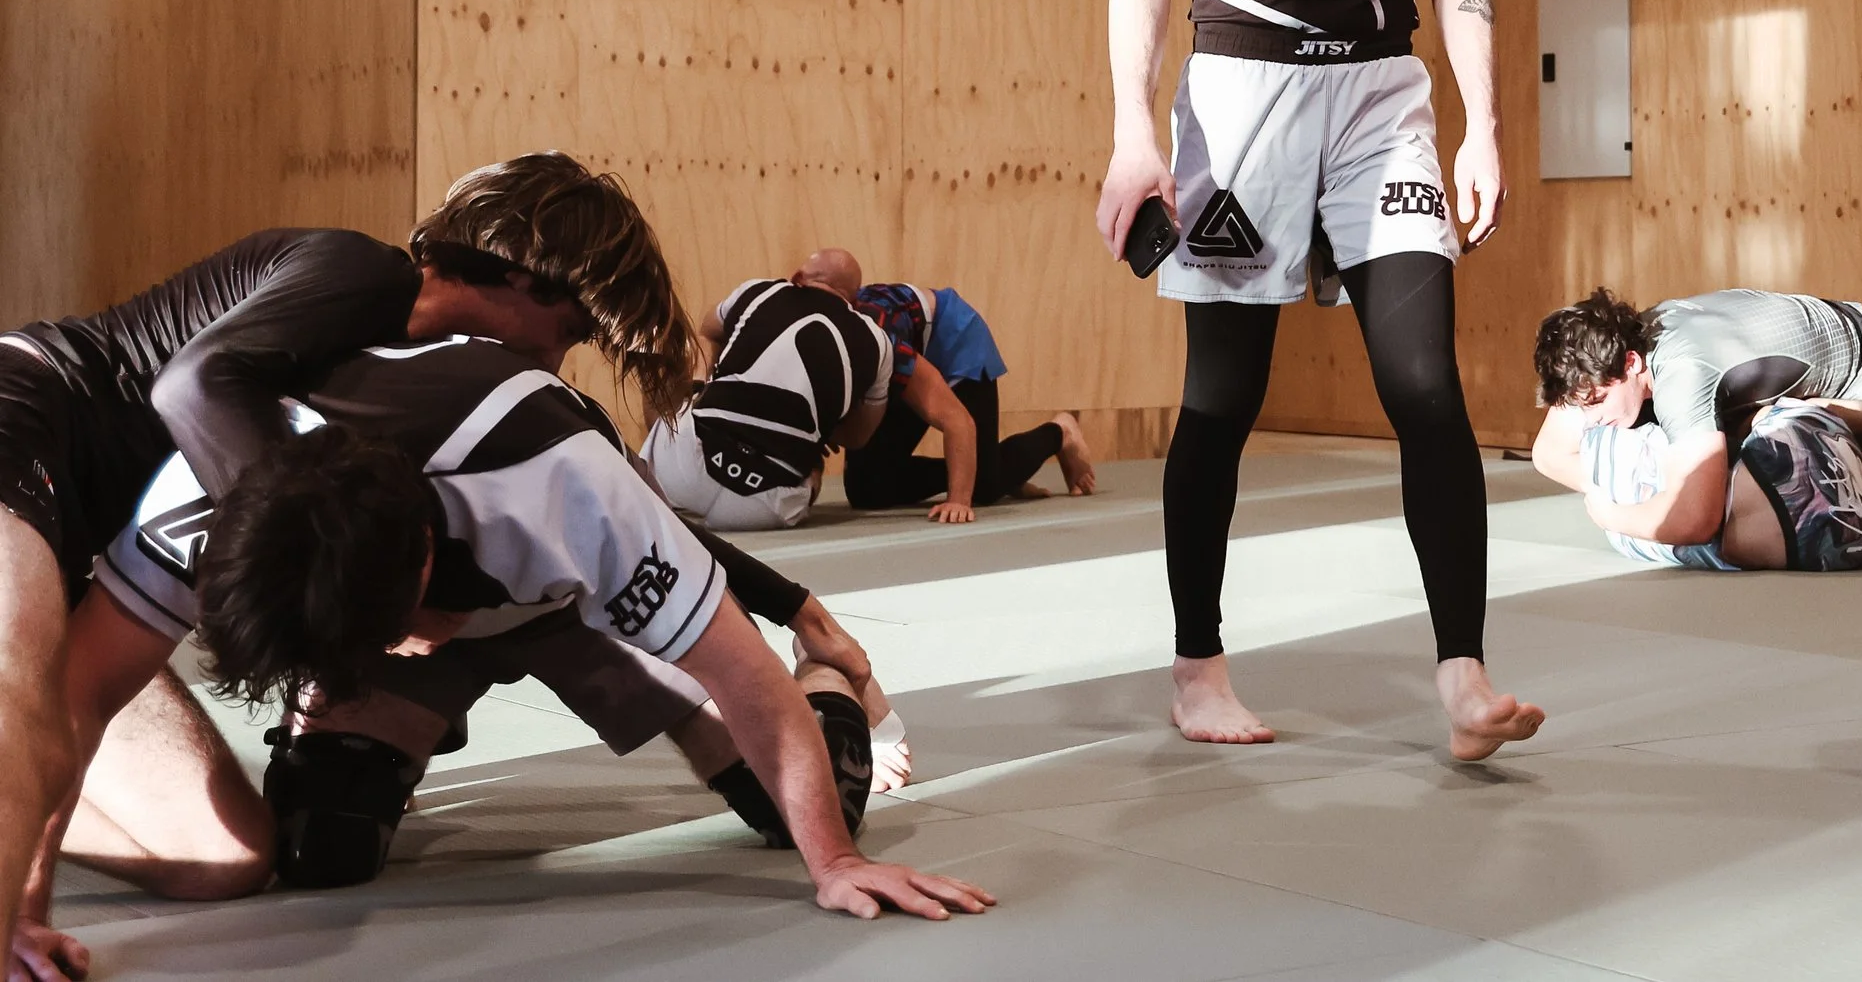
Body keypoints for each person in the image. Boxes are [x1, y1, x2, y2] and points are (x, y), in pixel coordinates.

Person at [61, 331, 991, 932]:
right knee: (321, 843)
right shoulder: (209, 493)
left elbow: (744, 678)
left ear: (426, 569)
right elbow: (78, 693)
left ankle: (829, 676)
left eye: (386, 640)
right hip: (383, 569)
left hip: (572, 605)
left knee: (798, 806)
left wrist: (836, 862)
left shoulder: (565, 490)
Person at [1093, 0, 1541, 759]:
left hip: (1382, 101)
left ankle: (1463, 677)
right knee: (1223, 397)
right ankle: (1197, 669)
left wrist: (1483, 125)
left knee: (1425, 386)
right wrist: (1135, 136)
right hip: (1236, 104)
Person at [0, 227, 424, 975]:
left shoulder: (384, 416)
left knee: (224, 857)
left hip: (74, 561)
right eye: (565, 327)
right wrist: (18, 922)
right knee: (18, 691)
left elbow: (84, 695)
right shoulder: (364, 279)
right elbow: (190, 382)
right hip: (20, 412)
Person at [1527, 287, 1862, 569]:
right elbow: (1547, 452)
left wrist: (1612, 513)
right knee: (1794, 490)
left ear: (1630, 363)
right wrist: (1615, 485)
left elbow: (1694, 520)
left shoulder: (1681, 375)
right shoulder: (1614, 347)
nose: (1593, 421)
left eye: (1597, 402)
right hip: (1797, 404)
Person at [819, 250, 1098, 521]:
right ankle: (997, 469)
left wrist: (959, 500)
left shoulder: (878, 338)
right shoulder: (817, 340)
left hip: (954, 338)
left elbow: (956, 419)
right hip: (906, 356)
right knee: (867, 489)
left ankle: (1060, 433)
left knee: (983, 488)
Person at [639, 250, 897, 532]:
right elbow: (858, 438)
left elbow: (707, 330)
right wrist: (819, 422)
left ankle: (651, 483)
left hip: (683, 474)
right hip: (764, 506)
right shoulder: (879, 343)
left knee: (673, 357)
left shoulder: (759, 291)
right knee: (812, 458)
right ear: (855, 302)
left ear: (797, 278)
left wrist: (702, 385)